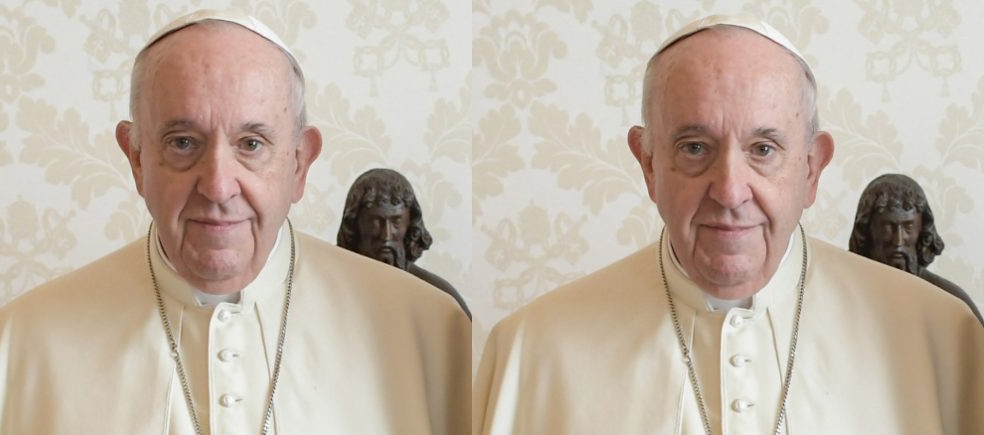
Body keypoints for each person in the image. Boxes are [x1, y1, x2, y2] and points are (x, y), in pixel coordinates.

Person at [0, 9, 469, 435]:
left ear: (299, 163)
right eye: (183, 142)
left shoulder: (428, 332)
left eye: (251, 144)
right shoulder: (19, 348)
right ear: (136, 158)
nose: (219, 185)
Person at [474, 14, 983, 435]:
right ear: (648, 164)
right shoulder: (531, 351)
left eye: (763, 149)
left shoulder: (943, 339)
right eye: (695, 148)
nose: (730, 190)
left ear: (811, 169)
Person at [337, 168, 472, 319]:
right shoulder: (329, 290)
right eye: (376, 221)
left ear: (410, 223)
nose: (386, 236)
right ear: (355, 224)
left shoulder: (440, 298)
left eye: (396, 221)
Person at [850, 173, 984, 325]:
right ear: (867, 230)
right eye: (888, 227)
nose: (898, 241)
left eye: (908, 226)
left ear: (922, 228)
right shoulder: (839, 293)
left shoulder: (951, 302)